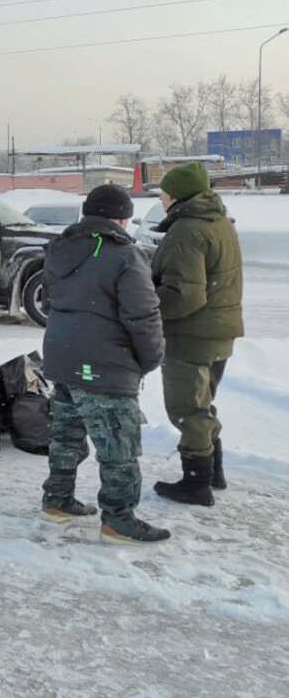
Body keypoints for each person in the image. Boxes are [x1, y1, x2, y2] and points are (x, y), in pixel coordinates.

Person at [40, 183, 170, 544]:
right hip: (105, 363)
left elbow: (54, 301)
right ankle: (118, 520)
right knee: (119, 448)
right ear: (122, 218)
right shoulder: (125, 256)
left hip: (62, 355)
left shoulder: (59, 246)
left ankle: (56, 502)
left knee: (66, 436)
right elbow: (143, 316)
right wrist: (151, 357)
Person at [151, 163, 243, 506]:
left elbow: (184, 294)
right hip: (219, 331)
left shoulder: (187, 230)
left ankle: (196, 484)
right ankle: (213, 472)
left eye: (163, 192)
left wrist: (148, 305)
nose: (160, 198)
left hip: (191, 334)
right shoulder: (218, 222)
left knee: (187, 408)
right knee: (202, 404)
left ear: (176, 195)